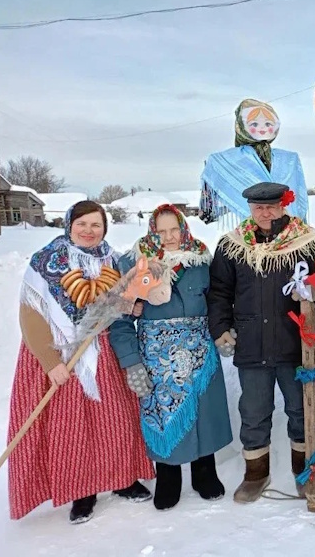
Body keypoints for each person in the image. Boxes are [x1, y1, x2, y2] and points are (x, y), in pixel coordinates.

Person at [7, 201, 154, 524]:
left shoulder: (112, 260)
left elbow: (119, 299)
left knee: (115, 419)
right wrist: (50, 362)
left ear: (105, 228)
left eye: (96, 225)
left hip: (102, 350)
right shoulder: (47, 260)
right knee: (72, 427)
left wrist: (130, 307)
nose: (89, 231)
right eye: (82, 224)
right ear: (69, 224)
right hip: (61, 351)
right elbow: (30, 314)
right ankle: (82, 491)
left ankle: (123, 479)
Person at [208, 182, 315, 503]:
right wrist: (221, 327)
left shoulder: (306, 240)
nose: (265, 213)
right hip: (251, 344)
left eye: (271, 206)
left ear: (284, 206)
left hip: (295, 343)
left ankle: (304, 471)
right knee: (253, 412)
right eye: (258, 207)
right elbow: (219, 292)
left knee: (300, 409)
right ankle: (255, 474)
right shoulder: (232, 246)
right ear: (250, 209)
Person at [109, 204, 233, 511]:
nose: (168, 237)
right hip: (157, 356)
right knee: (163, 414)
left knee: (202, 410)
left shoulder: (202, 260)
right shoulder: (136, 265)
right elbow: (119, 319)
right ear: (152, 232)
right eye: (161, 231)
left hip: (199, 349)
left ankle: (205, 472)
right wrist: (131, 361)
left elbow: (218, 300)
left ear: (184, 228)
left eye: (173, 229)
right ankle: (168, 475)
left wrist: (223, 330)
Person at [200, 99, 309, 223]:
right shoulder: (222, 161)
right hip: (246, 232)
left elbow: (298, 200)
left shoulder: (289, 159)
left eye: (268, 124)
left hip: (288, 230)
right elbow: (208, 211)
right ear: (240, 126)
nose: (262, 128)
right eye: (254, 124)